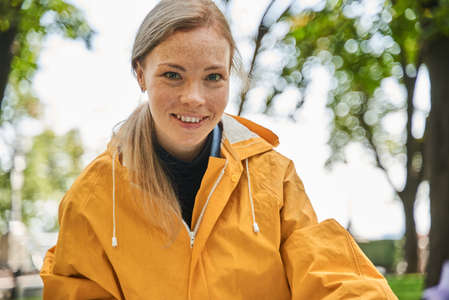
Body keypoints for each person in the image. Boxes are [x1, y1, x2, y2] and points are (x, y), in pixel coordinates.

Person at [40, 0, 398, 299]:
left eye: (213, 77)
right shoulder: (94, 197)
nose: (194, 98)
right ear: (140, 74)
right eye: (172, 75)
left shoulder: (273, 178)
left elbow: (328, 274)